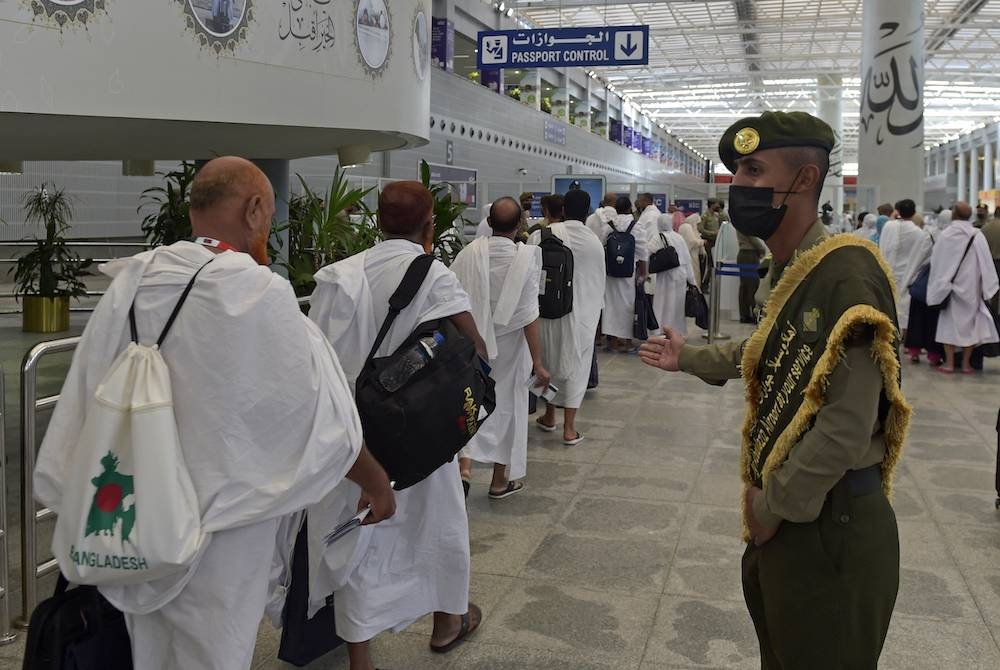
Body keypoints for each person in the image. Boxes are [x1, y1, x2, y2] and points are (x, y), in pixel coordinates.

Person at [33, 157, 396, 670]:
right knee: (214, 653)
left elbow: (83, 400)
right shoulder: (255, 291)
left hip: (132, 518)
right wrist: (376, 481)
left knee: (143, 650)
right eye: (268, 216)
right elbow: (320, 416)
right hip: (224, 531)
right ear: (253, 210)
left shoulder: (130, 283)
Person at [639, 111, 910, 669]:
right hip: (799, 516)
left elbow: (846, 423)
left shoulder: (845, 276)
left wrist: (773, 503)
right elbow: (765, 351)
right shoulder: (793, 267)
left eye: (754, 170)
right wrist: (686, 355)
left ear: (804, 181)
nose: (738, 184)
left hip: (830, 522)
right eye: (736, 170)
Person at [308, 181, 484, 670]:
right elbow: (476, 351)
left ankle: (361, 659)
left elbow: (320, 362)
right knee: (440, 526)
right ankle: (448, 622)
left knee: (360, 543)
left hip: (356, 438)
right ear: (429, 226)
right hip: (422, 435)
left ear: (378, 221)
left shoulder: (337, 277)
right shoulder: (435, 277)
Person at [452, 197, 549, 499]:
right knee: (507, 407)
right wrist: (538, 362)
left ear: (489, 223)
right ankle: (498, 481)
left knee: (469, 402)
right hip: (511, 350)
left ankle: (464, 470)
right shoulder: (527, 258)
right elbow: (529, 317)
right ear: (520, 224)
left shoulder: (469, 253)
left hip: (471, 346)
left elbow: (451, 298)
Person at [529, 189, 606, 445]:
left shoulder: (541, 235)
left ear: (562, 210)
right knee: (576, 369)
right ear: (588, 212)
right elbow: (598, 283)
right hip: (582, 315)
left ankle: (549, 416)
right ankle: (569, 429)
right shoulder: (594, 242)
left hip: (546, 311)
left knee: (547, 362)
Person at [927, 201, 1000, 373]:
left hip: (949, 288)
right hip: (971, 288)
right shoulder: (977, 235)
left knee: (948, 325)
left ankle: (950, 363)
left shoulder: (945, 236)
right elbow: (986, 262)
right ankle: (967, 365)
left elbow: (936, 262)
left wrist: (936, 285)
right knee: (971, 326)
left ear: (953, 214)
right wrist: (989, 287)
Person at [593, 196, 649, 352]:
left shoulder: (609, 225)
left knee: (610, 306)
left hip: (610, 273)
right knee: (628, 305)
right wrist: (644, 272)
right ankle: (628, 341)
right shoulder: (636, 226)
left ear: (616, 209)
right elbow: (643, 251)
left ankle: (612, 341)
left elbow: (600, 245)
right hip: (628, 273)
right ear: (629, 208)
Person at [879, 198, 932, 336]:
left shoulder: (888, 227)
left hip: (888, 271)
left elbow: (882, 246)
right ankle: (906, 335)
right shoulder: (920, 234)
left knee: (889, 305)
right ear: (914, 212)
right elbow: (924, 258)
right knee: (905, 309)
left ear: (898, 211)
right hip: (909, 275)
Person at [650, 213, 695, 335]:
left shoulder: (657, 238)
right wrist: (692, 281)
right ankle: (676, 330)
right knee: (677, 305)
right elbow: (687, 259)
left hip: (665, 276)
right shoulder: (679, 237)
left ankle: (661, 330)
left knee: (662, 303)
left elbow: (648, 252)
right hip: (681, 275)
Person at [737, 230, 768, 323]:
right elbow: (752, 237)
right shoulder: (744, 220)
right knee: (752, 285)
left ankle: (745, 314)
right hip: (749, 254)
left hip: (744, 253)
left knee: (745, 286)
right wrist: (762, 248)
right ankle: (754, 315)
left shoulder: (739, 219)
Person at [678, 212, 706, 287]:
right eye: (697, 223)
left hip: (692, 256)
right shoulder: (687, 227)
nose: (697, 225)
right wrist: (702, 242)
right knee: (693, 276)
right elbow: (692, 242)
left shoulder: (688, 228)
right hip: (690, 256)